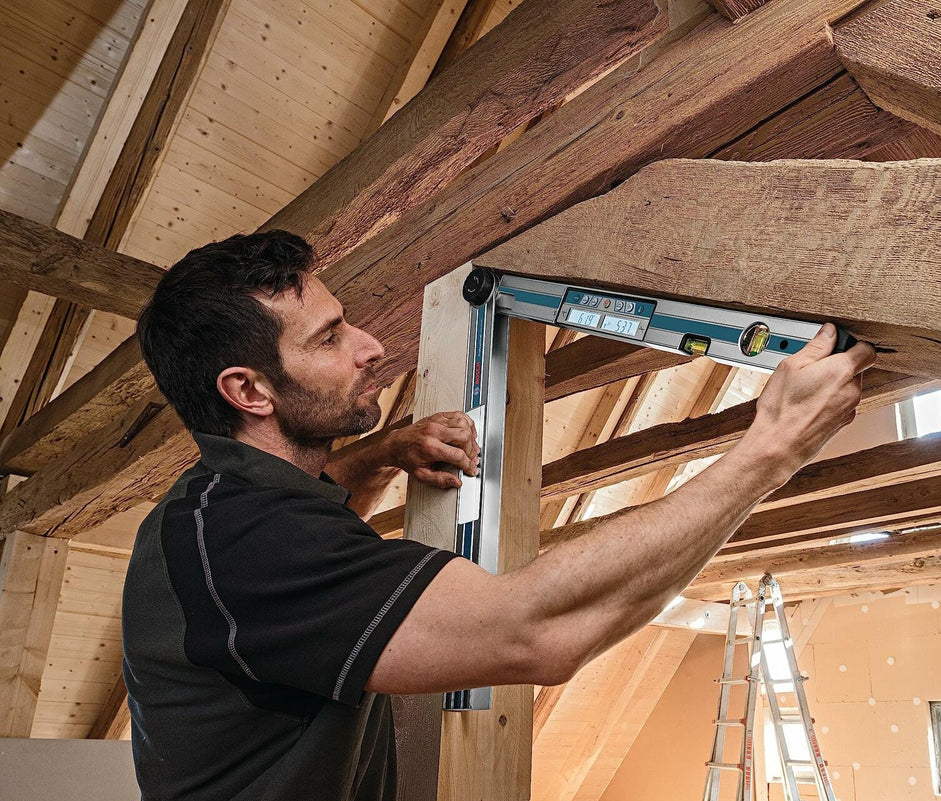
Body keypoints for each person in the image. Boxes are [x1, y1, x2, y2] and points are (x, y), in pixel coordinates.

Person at [123, 229, 875, 800]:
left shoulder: (214, 511)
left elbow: (306, 523)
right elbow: (536, 631)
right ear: (250, 391)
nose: (372, 347)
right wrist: (773, 448)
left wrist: (382, 451)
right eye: (328, 338)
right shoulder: (245, 542)